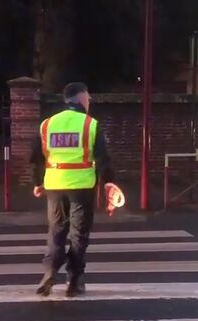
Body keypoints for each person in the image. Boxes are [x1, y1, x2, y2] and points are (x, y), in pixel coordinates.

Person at [29, 82, 116, 297]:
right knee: (78, 235)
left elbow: (36, 158)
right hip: (82, 187)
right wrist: (108, 183)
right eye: (88, 98)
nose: (90, 102)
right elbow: (103, 159)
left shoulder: (47, 124)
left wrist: (37, 183)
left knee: (56, 231)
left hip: (54, 186)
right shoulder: (90, 125)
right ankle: (74, 281)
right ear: (80, 99)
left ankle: (49, 273)